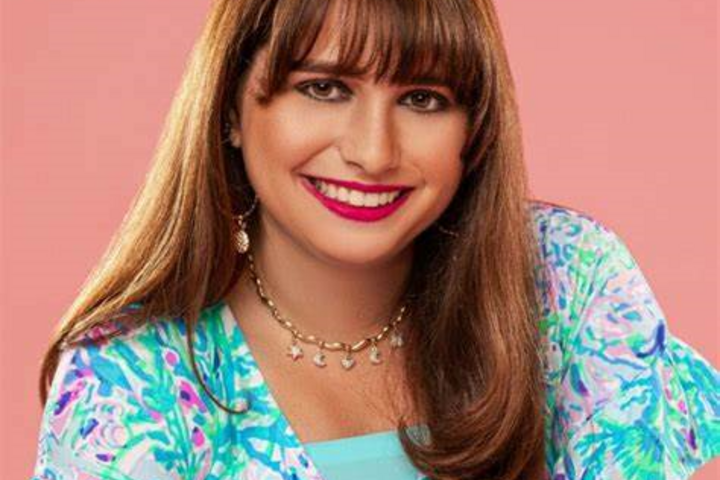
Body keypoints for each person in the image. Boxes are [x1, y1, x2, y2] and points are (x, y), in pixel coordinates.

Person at [31, 0, 719, 479]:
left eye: (422, 98)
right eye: (324, 87)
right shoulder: (131, 381)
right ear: (232, 109)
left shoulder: (567, 283)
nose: (373, 151)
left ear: (473, 129)